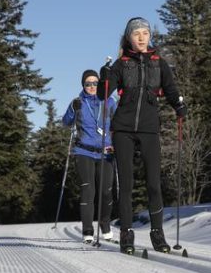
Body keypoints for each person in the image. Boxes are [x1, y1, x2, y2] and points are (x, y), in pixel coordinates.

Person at [98, 17, 186, 254]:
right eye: (136, 33)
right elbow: (102, 95)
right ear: (129, 37)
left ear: (149, 36)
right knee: (126, 185)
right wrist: (104, 76)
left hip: (149, 128)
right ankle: (126, 234)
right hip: (123, 129)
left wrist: (178, 105)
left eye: (144, 33)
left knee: (154, 184)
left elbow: (171, 90)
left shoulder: (159, 63)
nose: (140, 37)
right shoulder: (121, 64)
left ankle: (158, 234)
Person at [62, 69, 118, 243]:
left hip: (106, 151)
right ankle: (87, 230)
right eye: (88, 83)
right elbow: (66, 122)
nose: (92, 86)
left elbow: (119, 122)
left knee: (106, 191)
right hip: (84, 151)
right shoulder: (77, 102)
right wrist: (72, 110)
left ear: (99, 84)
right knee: (88, 189)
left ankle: (105, 223)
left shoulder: (109, 101)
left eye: (95, 83)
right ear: (83, 85)